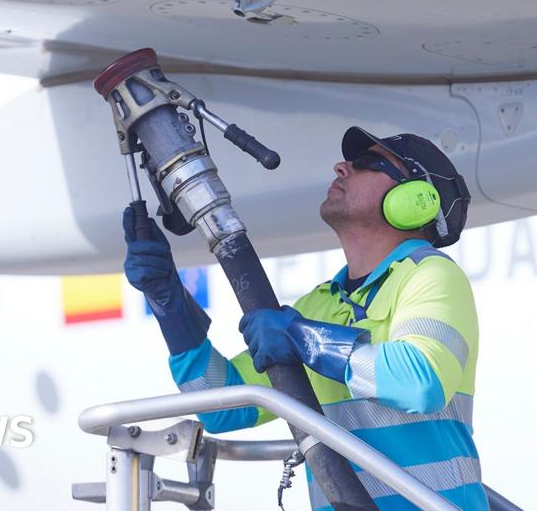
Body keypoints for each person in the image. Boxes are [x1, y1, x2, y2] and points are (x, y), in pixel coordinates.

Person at [123, 126, 484, 510]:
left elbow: (420, 381)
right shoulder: (318, 307)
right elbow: (223, 410)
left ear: (416, 200)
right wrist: (169, 302)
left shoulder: (429, 274)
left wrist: (308, 340)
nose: (341, 168)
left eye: (367, 164)